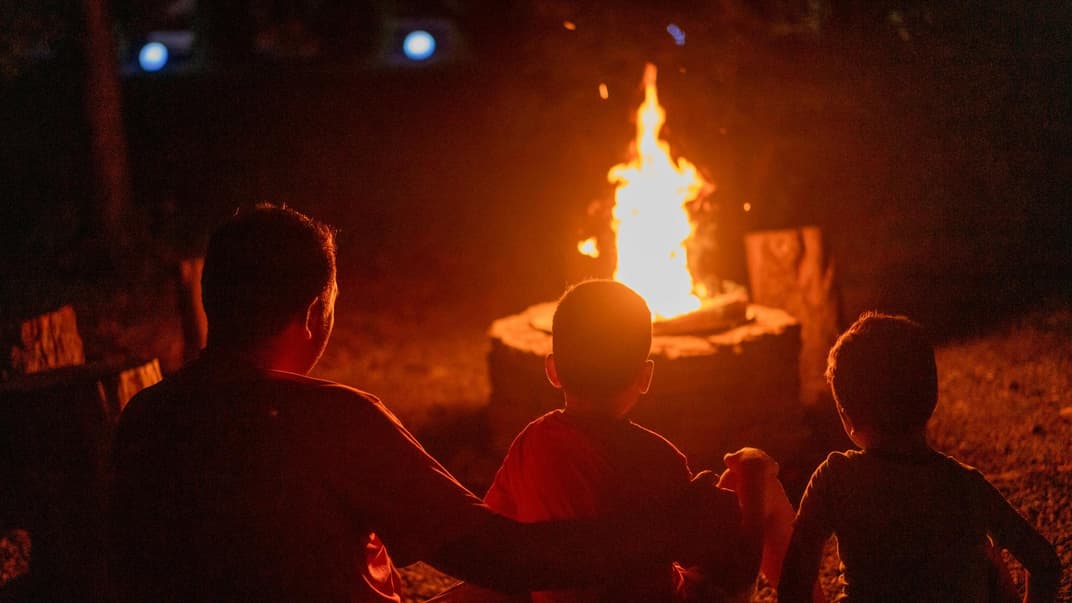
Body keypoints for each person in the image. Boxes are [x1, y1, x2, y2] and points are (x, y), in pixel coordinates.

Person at [108, 204, 746, 603]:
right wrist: (670, 527)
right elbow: (502, 557)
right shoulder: (333, 421)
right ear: (312, 313)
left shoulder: (145, 417)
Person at [483, 280, 794, 602]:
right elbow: (703, 549)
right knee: (755, 475)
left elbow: (497, 532)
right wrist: (745, 486)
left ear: (552, 370)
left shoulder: (529, 444)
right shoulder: (658, 457)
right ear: (645, 377)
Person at [778, 312, 1061, 603]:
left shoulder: (835, 478)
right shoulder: (967, 486)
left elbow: (794, 581)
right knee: (988, 558)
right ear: (932, 399)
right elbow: (1045, 564)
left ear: (845, 415)